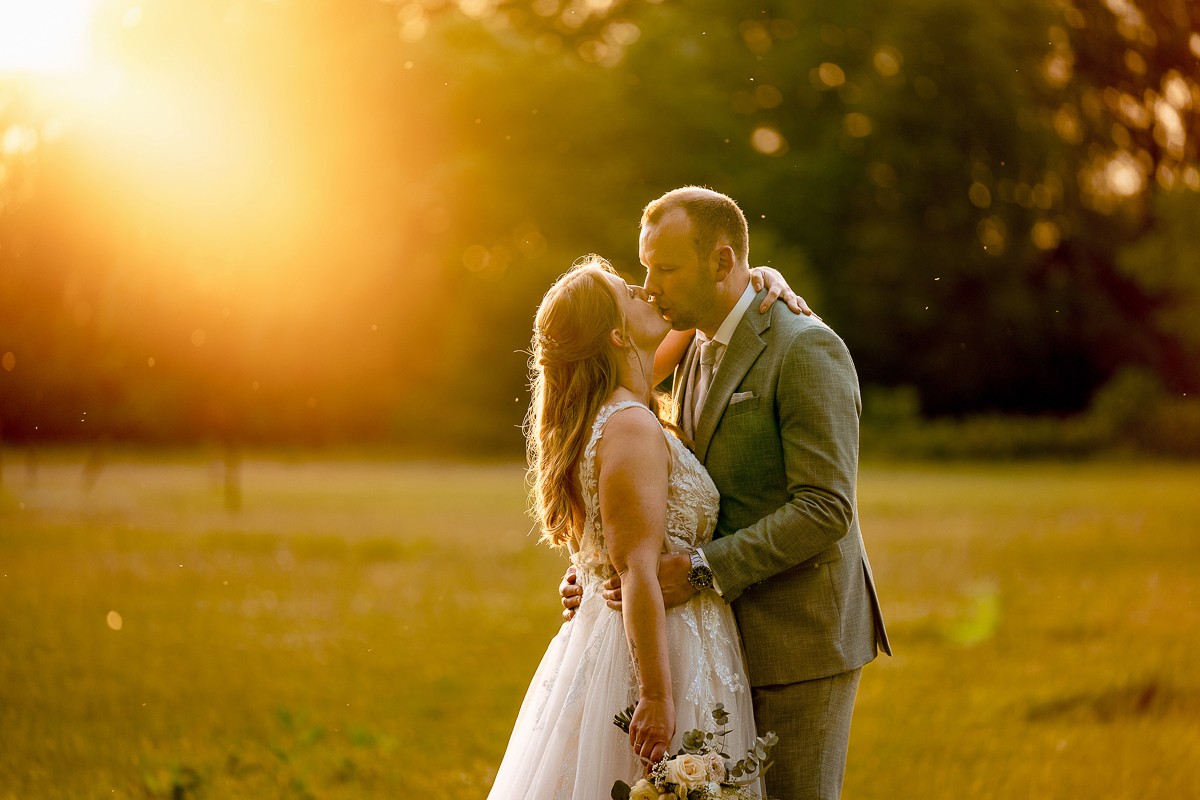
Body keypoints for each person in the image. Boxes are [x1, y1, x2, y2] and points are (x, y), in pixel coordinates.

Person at [561, 186, 891, 800]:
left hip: (799, 642)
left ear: (720, 262)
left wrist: (702, 570)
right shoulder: (685, 348)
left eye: (666, 268)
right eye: (645, 268)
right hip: (711, 650)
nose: (650, 285)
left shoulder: (805, 347)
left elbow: (826, 509)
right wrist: (595, 564)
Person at [486, 255, 773, 799]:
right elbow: (636, 568)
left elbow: (692, 317)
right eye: (630, 292)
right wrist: (658, 697)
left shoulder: (618, 401)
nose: (647, 291)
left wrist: (759, 277)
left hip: (639, 635)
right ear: (617, 336)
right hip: (659, 651)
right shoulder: (630, 425)